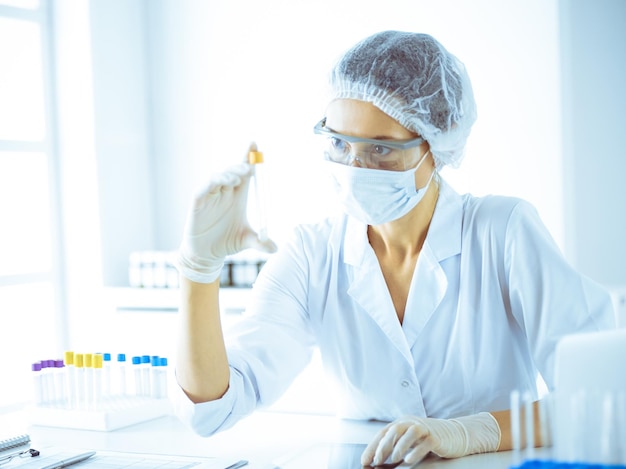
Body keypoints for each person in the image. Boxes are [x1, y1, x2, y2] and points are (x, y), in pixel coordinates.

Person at [174, 30, 616, 466]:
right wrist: (198, 269)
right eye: (339, 144)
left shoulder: (504, 232)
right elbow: (214, 408)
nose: (354, 168)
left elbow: (603, 395)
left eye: (381, 149)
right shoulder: (312, 254)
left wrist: (470, 432)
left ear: (435, 145)